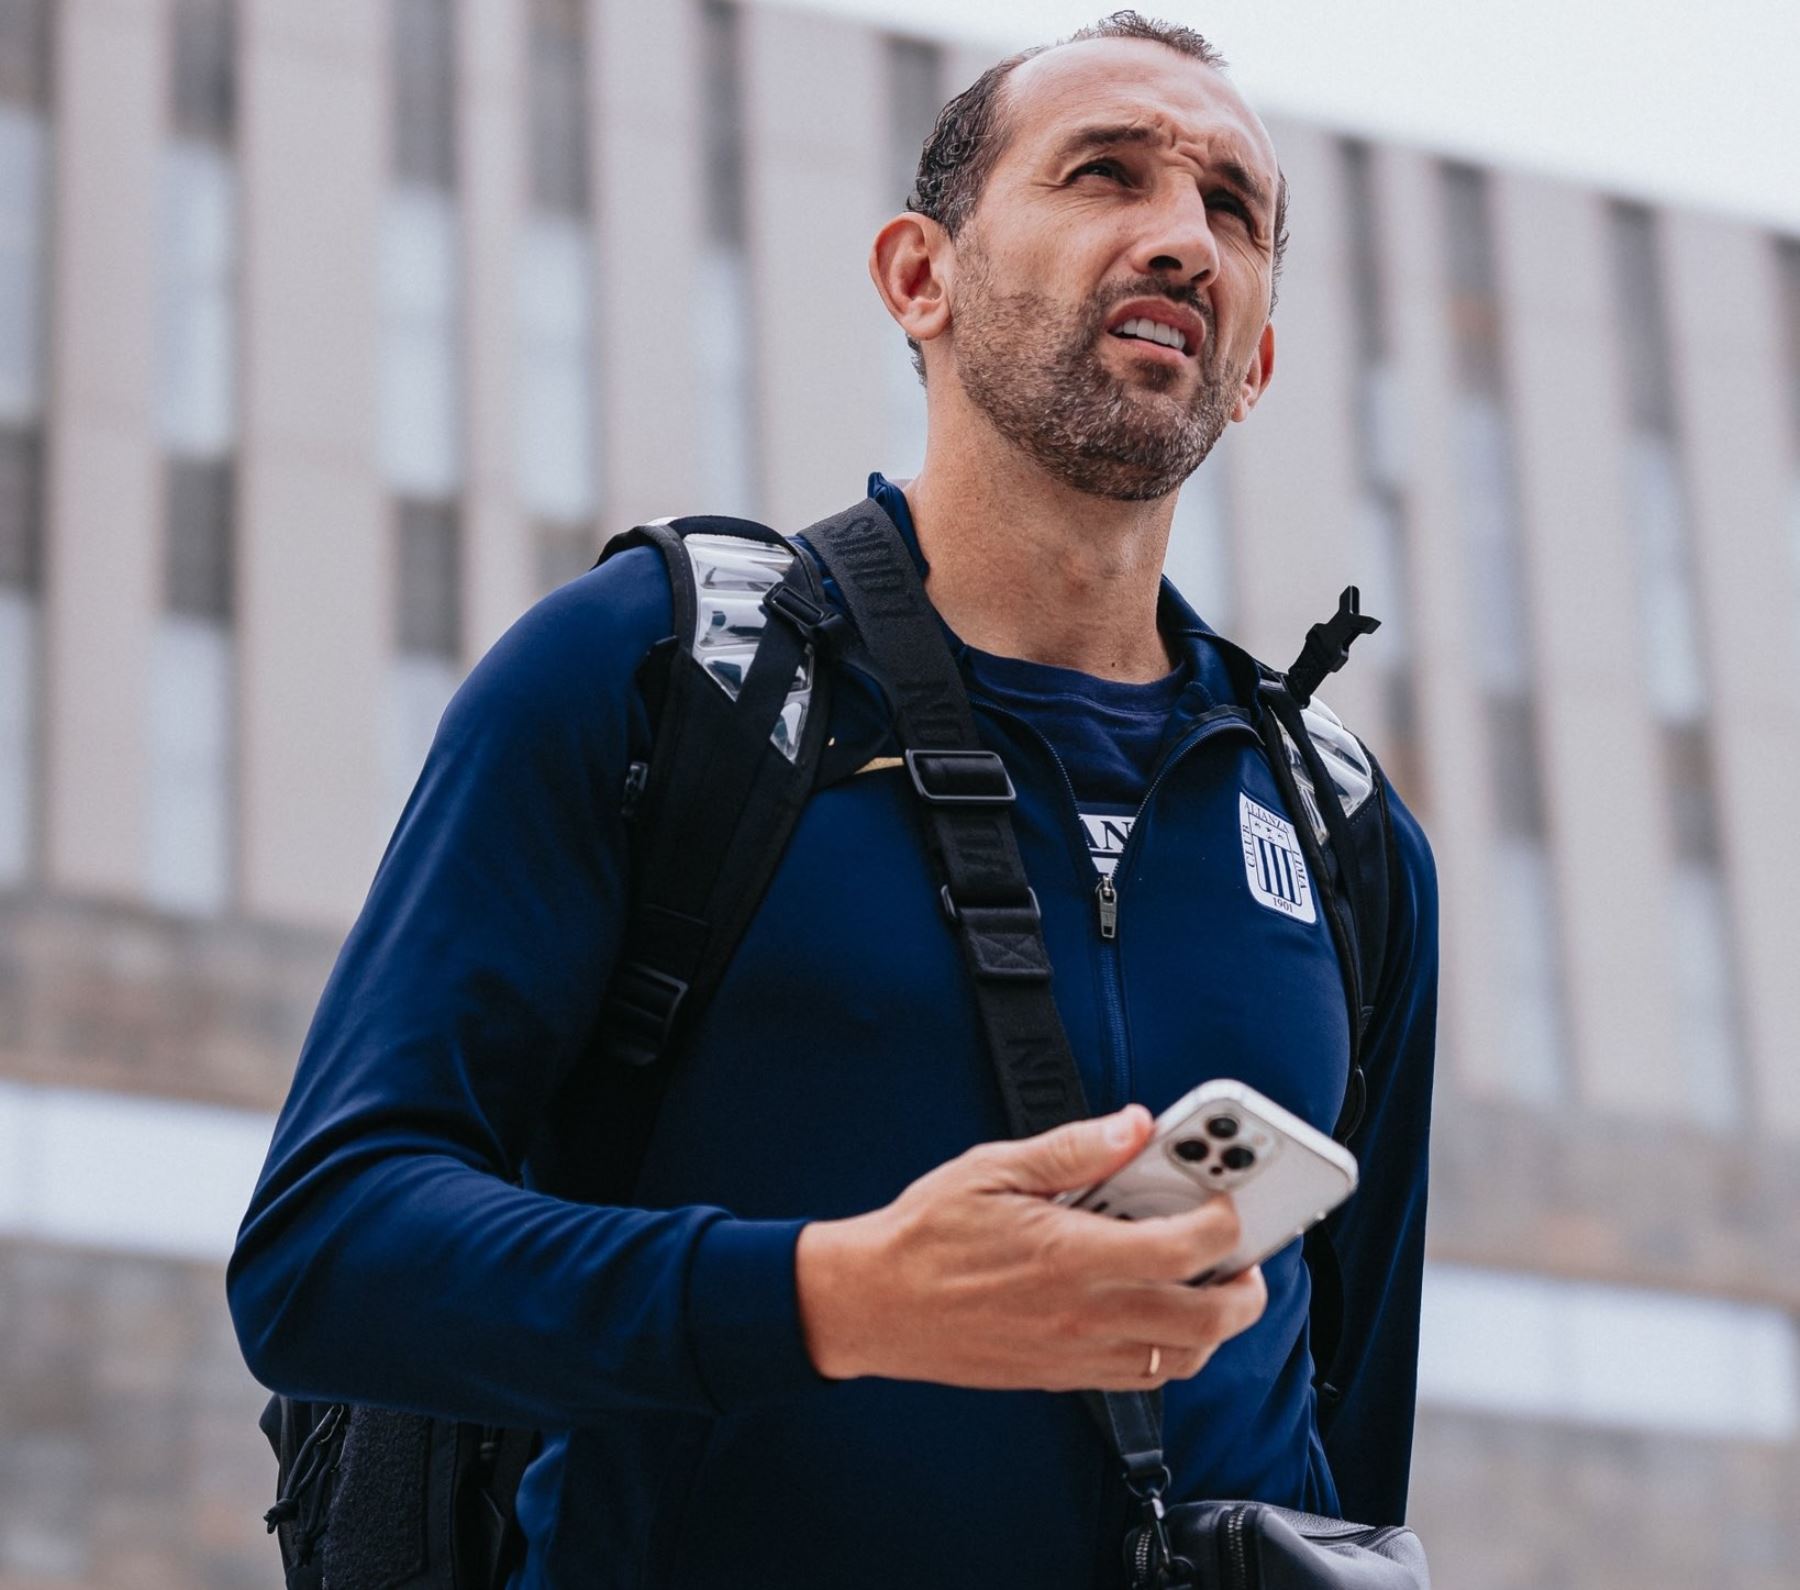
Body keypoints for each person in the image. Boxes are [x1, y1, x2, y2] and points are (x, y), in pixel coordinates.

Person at [228, 12, 1437, 1589]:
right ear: (918, 278)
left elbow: (1358, 1437)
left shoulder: (1344, 832)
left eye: (1232, 209)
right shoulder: (659, 673)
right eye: (1104, 173)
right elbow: (328, 1255)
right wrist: (837, 1294)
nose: (1178, 237)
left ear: (1257, 358)